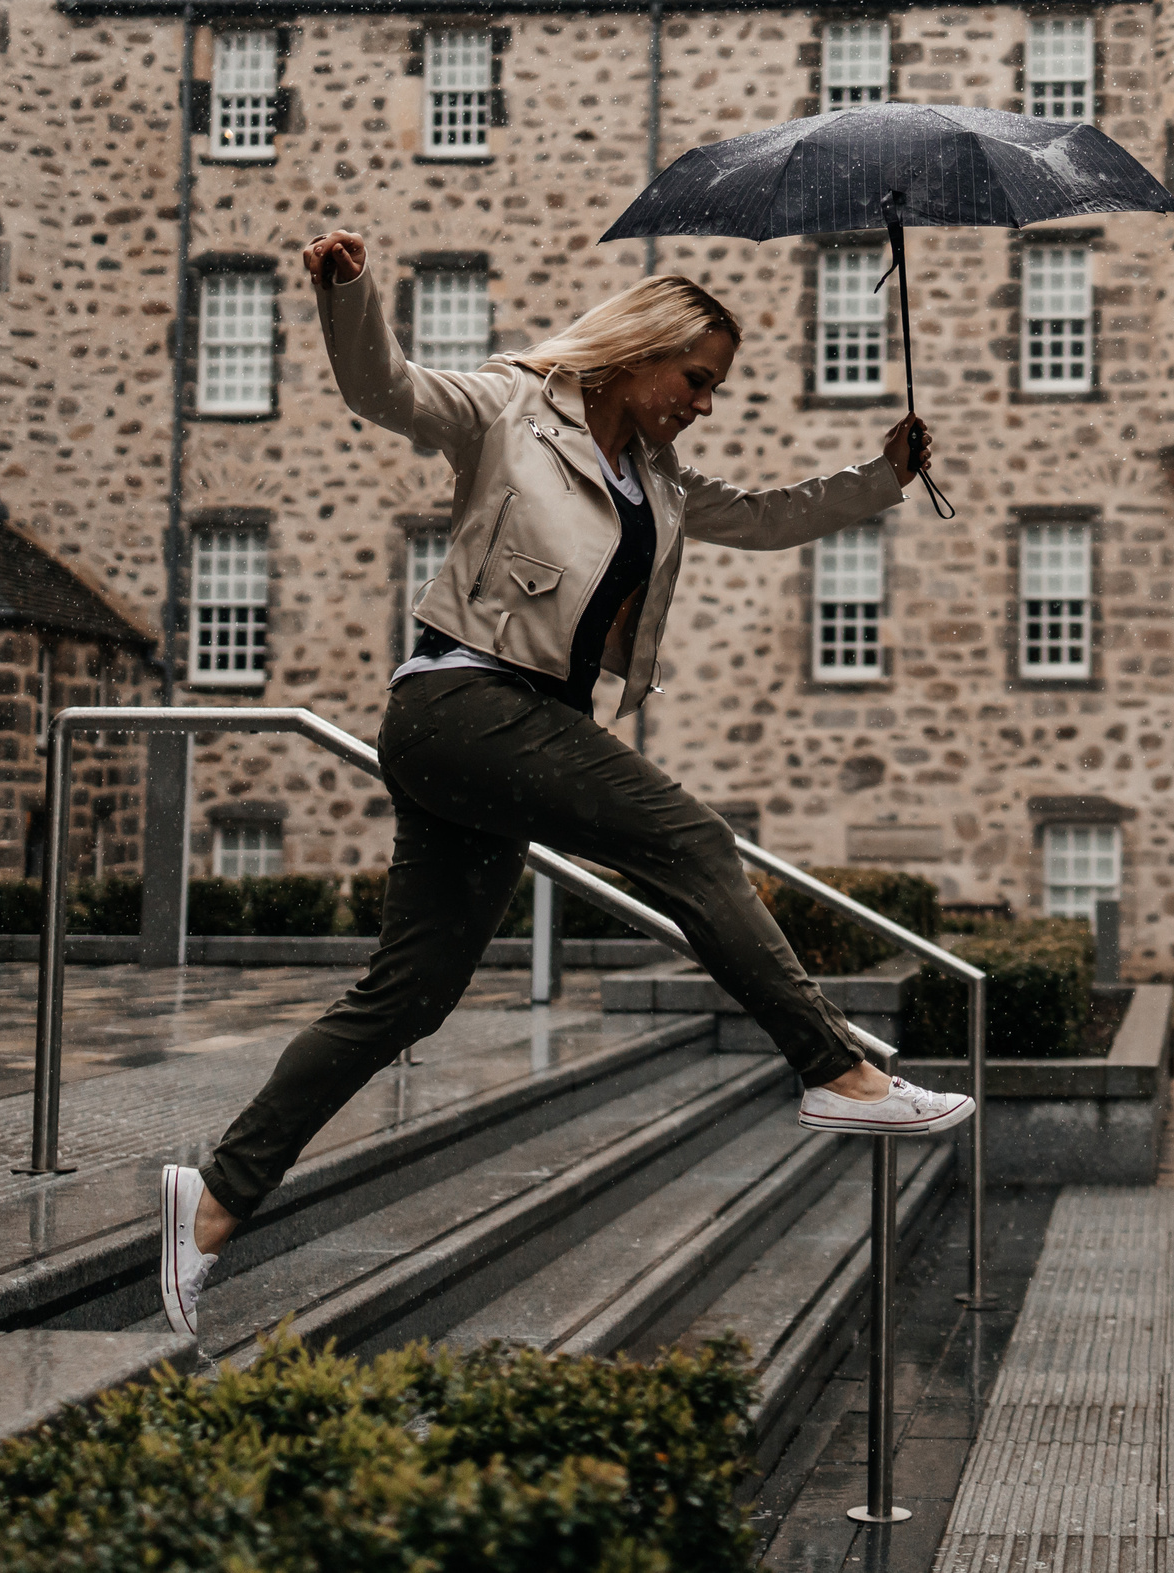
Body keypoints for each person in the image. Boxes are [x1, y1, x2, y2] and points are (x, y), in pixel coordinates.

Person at [156, 229, 974, 1340]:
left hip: (517, 726)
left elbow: (774, 517)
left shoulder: (658, 480)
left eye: (716, 390)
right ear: (640, 351)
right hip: (462, 701)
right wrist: (347, 290)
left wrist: (884, 474)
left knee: (409, 994)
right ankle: (837, 1070)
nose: (704, 405)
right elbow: (385, 389)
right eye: (696, 380)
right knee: (690, 841)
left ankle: (210, 1203)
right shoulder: (509, 408)